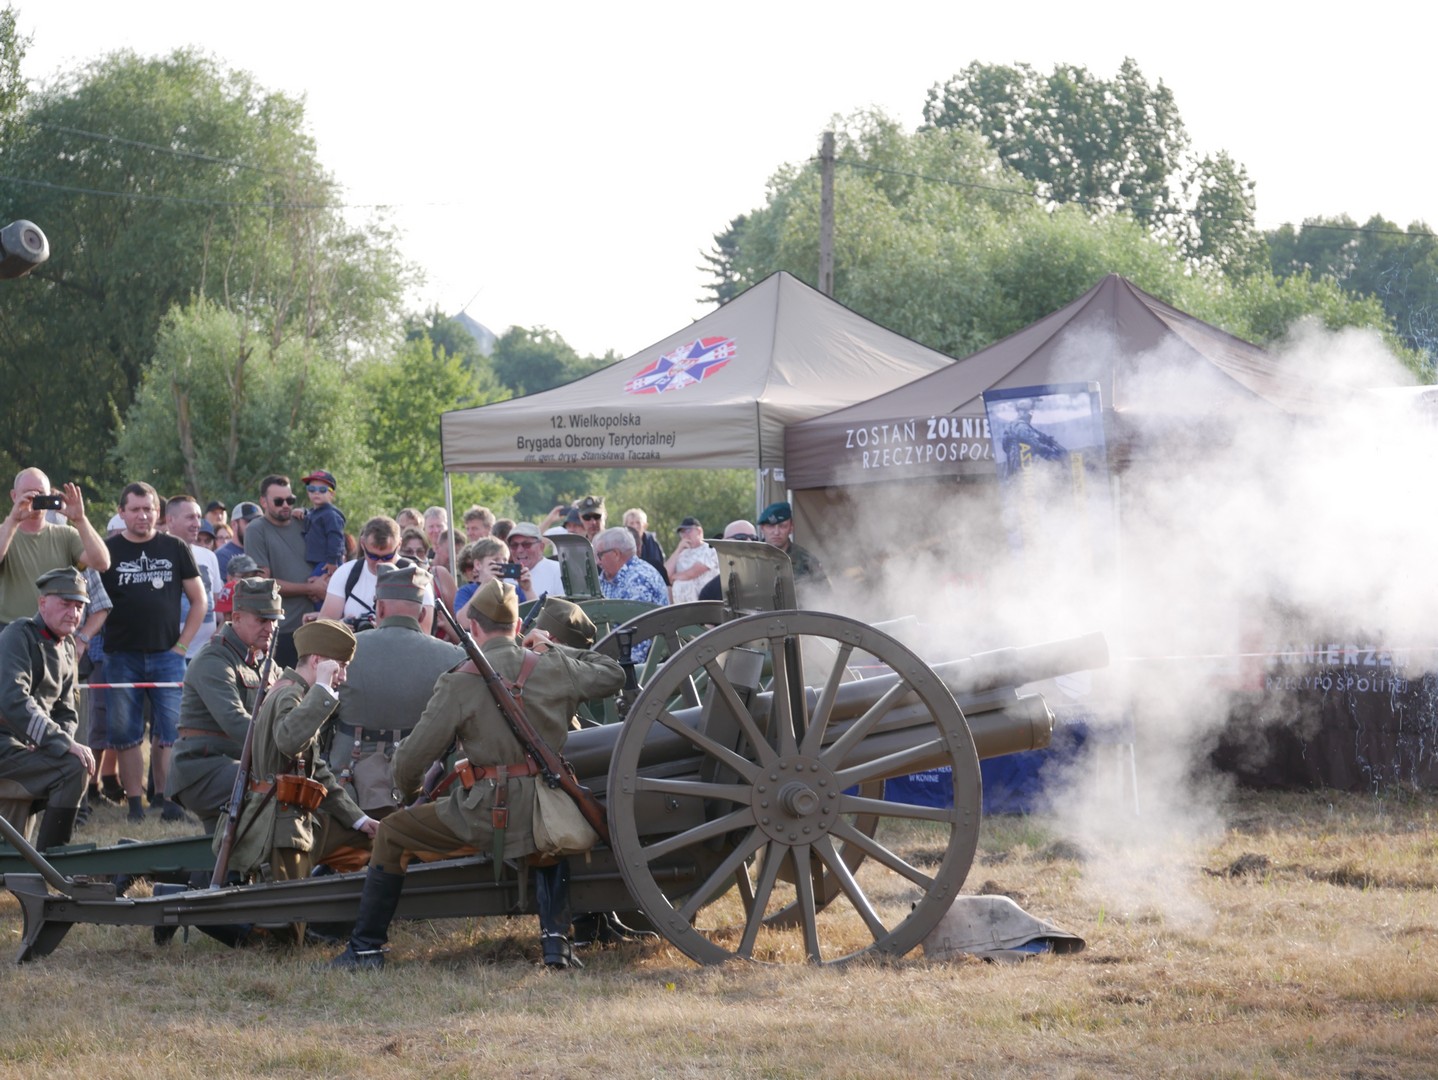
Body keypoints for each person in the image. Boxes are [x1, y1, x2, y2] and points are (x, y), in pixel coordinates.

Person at [328, 580, 624, 971]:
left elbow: (411, 760)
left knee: (395, 833)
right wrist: (549, 646)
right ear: (518, 627)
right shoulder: (551, 665)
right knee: (548, 837)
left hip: (487, 812)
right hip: (549, 806)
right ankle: (557, 945)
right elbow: (611, 672)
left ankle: (365, 949)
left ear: (476, 629)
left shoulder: (460, 680)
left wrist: (411, 792)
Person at [222, 619, 378, 946]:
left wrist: (359, 819)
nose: (344, 676)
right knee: (285, 939)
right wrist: (322, 690)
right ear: (319, 662)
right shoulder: (291, 696)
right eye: (341, 666)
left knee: (372, 844)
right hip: (279, 826)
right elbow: (289, 741)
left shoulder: (296, 694)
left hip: (295, 816)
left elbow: (315, 769)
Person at [101, 482, 206, 822]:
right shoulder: (107, 551)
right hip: (121, 656)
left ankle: (169, 801)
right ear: (122, 513)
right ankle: (134, 806)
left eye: (149, 509)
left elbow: (199, 600)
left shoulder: (175, 547)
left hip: (167, 656)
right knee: (126, 734)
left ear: (157, 514)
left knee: (171, 732)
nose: (143, 515)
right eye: (135, 509)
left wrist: (182, 646)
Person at [327, 565, 464, 822]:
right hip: (428, 787)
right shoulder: (454, 657)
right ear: (423, 612)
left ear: (379, 608)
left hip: (349, 790)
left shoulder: (344, 649)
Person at [167, 578, 283, 831]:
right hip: (202, 768)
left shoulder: (263, 662)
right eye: (262, 620)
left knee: (218, 852)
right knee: (273, 788)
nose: (270, 628)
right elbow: (235, 721)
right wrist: (283, 744)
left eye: (274, 620)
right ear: (237, 617)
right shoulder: (214, 660)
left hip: (233, 765)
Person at [0, 568, 97, 851]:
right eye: (66, 604)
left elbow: (67, 711)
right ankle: (49, 863)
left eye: (79, 607)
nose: (73, 613)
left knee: (73, 760)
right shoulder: (18, 634)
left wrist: (54, 743)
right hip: (5, 743)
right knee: (73, 766)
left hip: (25, 746)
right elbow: (13, 699)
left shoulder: (67, 645)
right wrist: (57, 742)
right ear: (43, 603)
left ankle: (39, 861)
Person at [0, 467, 111, 629]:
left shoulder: (66, 535)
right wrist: (14, 520)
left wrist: (80, 520)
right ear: (14, 496)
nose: (33, 498)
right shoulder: (4, 532)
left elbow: (102, 563)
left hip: (55, 632)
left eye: (40, 493)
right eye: (27, 493)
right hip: (10, 630)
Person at [245, 475, 328, 668]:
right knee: (283, 690)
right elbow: (263, 582)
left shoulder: (304, 522)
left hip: (316, 622)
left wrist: (325, 581)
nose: (286, 505)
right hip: (282, 628)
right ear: (263, 502)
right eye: (279, 501)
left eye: (290, 500)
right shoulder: (256, 530)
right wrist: (310, 589)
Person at [317, 516, 434, 634]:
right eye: (373, 556)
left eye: (387, 557)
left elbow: (424, 636)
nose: (380, 563)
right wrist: (338, 627)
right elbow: (323, 622)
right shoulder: (346, 573)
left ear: (399, 545)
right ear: (362, 544)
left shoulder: (417, 578)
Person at [594, 526, 667, 662]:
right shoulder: (607, 577)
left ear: (616, 554)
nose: (597, 562)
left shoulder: (639, 580)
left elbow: (638, 642)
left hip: (639, 665)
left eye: (600, 555)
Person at [166, 495, 221, 658]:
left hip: (206, 653)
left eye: (198, 517)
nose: (197, 523)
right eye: (190, 517)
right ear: (170, 520)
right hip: (168, 654)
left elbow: (219, 606)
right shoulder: (156, 553)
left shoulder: (209, 556)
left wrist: (218, 636)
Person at [757, 501, 830, 592]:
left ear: (791, 528)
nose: (776, 532)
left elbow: (826, 596)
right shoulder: (751, 558)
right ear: (762, 529)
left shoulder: (806, 560)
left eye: (782, 526)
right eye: (770, 526)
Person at [698, 520, 759, 602]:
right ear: (723, 542)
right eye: (741, 537)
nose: (749, 542)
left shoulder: (770, 581)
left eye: (754, 538)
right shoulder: (710, 592)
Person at [664, 517, 719, 605]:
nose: (685, 535)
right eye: (682, 532)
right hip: (679, 605)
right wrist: (678, 550)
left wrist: (673, 577)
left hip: (704, 602)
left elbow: (693, 572)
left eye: (688, 530)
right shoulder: (681, 553)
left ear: (699, 531)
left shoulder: (710, 549)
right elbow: (666, 575)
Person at [301, 469, 346, 576]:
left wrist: (332, 561)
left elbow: (336, 538)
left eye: (322, 489)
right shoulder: (314, 512)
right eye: (311, 489)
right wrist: (303, 511)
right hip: (318, 561)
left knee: (314, 586)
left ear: (332, 494)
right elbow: (311, 514)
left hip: (327, 563)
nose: (316, 492)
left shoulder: (331, 515)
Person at [507, 522, 564, 600]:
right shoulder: (506, 574)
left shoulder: (559, 571)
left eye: (526, 544)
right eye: (514, 545)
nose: (519, 550)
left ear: (541, 547)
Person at [454, 537, 510, 614]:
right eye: (496, 559)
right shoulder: (466, 591)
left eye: (505, 560)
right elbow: (463, 621)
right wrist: (485, 584)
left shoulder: (513, 590)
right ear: (478, 565)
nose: (502, 564)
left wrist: (527, 590)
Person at [623, 508, 670, 586]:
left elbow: (659, 564)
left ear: (645, 525)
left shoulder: (652, 541)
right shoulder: (621, 542)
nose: (635, 526)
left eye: (638, 523)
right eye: (631, 523)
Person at [215, 501, 260, 579]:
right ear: (234, 525)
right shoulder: (222, 556)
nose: (254, 526)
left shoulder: (263, 551)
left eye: (257, 522)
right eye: (249, 522)